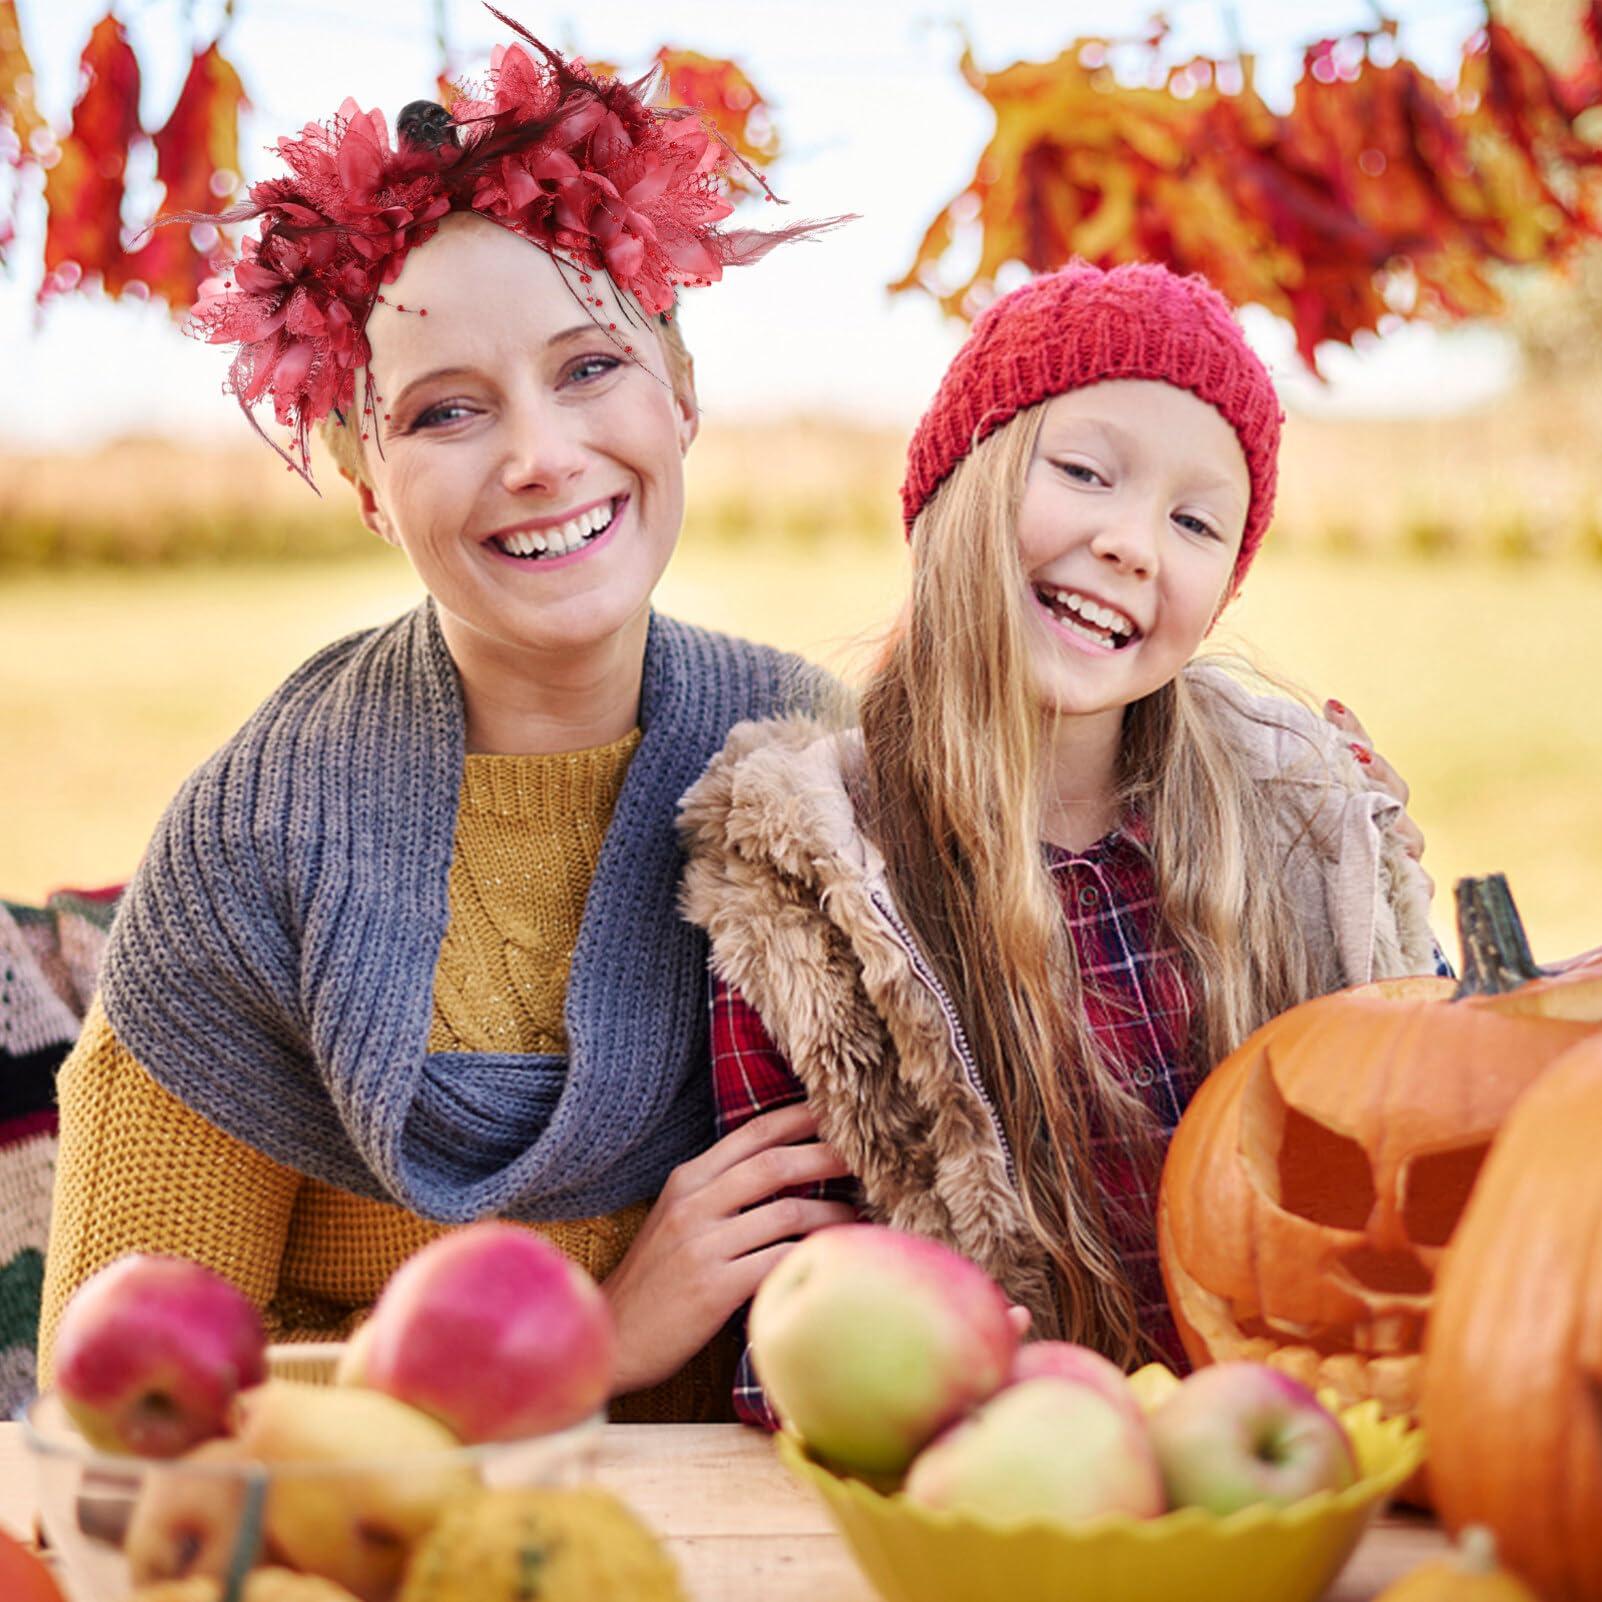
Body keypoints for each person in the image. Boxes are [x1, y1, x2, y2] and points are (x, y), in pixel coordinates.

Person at [36, 21, 860, 1421]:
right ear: (368, 482)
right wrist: (589, 1342)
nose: (539, 456)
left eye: (590, 367)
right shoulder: (255, 851)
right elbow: (125, 1423)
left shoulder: (810, 762)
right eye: (445, 412)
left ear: (682, 397)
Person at [677, 260, 1441, 1424]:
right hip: (991, 1493)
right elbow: (803, 1337)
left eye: (1196, 522)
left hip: (1294, 1471)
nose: (1134, 542)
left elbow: (1436, 1145)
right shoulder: (811, 890)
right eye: (1085, 471)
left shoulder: (1293, 836)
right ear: (961, 483)